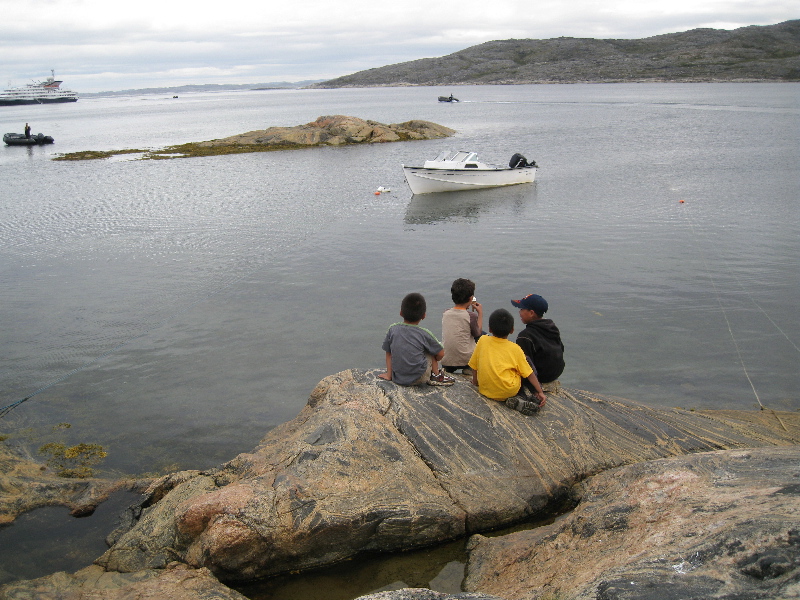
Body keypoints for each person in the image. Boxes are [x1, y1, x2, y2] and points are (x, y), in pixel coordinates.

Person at [468, 308, 546, 415]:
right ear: (512, 330)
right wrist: (540, 391)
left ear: (490, 329)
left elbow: (474, 366)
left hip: (485, 390)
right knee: (524, 364)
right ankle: (521, 397)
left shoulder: (482, 340)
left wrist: (475, 382)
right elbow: (529, 373)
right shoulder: (515, 349)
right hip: (509, 391)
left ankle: (516, 400)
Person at [379, 292, 456, 386]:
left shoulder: (392, 329)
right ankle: (436, 374)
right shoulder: (424, 333)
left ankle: (390, 374)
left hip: (398, 377)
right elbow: (441, 353)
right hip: (420, 377)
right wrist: (435, 359)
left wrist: (389, 375)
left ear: (401, 313)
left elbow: (388, 353)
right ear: (424, 315)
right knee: (431, 349)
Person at [511, 294, 565, 395]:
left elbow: (525, 366)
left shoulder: (525, 336)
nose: (519, 312)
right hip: (554, 375)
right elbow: (561, 348)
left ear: (531, 313)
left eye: (522, 309)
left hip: (540, 379)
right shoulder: (552, 327)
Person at [441, 278, 483, 374]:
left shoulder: (446, 313)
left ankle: (447, 370)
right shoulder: (471, 316)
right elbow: (478, 333)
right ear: (471, 298)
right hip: (466, 361)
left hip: (447, 360)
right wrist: (480, 313)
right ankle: (470, 368)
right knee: (483, 336)